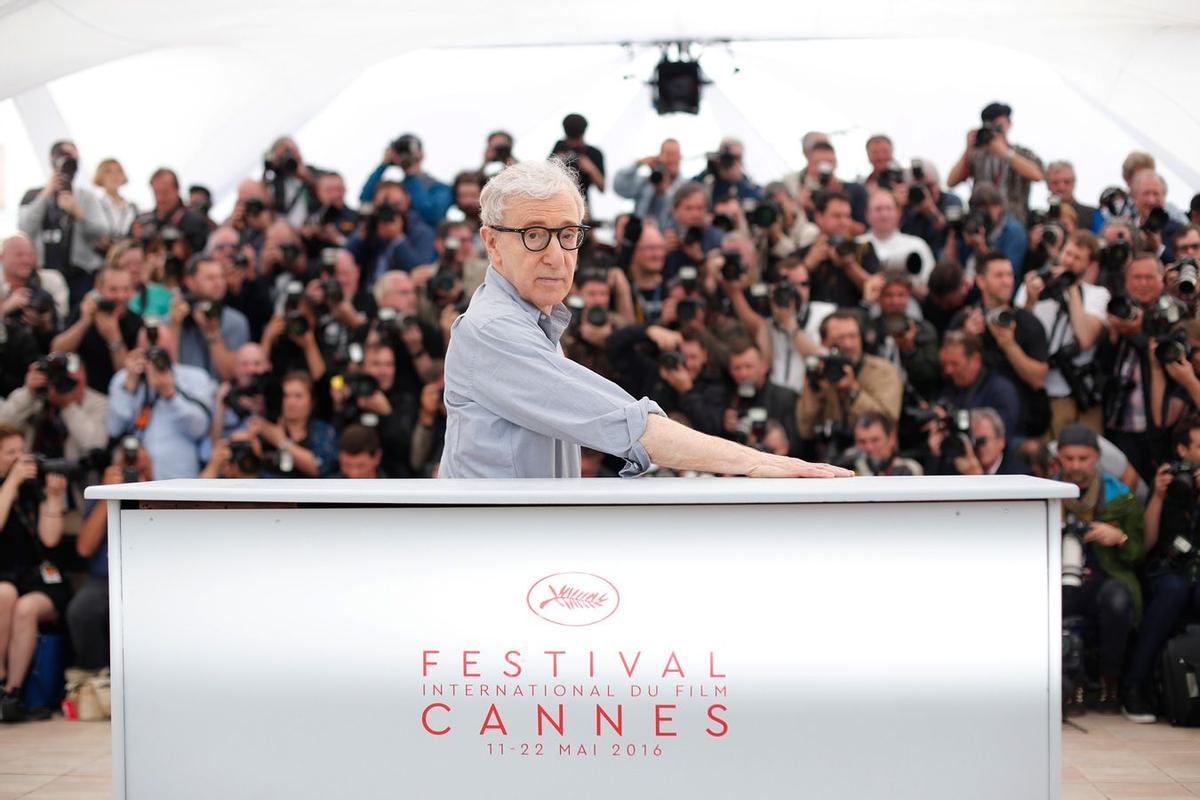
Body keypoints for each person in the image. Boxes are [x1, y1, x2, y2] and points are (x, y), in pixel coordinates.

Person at [439, 159, 851, 480]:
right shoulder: (494, 330)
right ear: (492, 242)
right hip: (494, 554)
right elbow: (629, 425)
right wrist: (754, 462)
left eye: (567, 234)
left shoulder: (532, 319)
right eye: (533, 234)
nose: (555, 254)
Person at [1056, 424, 1144, 716]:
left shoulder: (1120, 496)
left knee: (1117, 599)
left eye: (1083, 458)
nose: (1076, 465)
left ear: (1096, 457)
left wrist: (1118, 537)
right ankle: (1066, 685)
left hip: (1106, 577)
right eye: (1069, 458)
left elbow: (1137, 555)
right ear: (1059, 457)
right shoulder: (1047, 494)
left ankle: (1111, 685)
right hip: (1059, 577)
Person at [1121, 417, 1200, 723]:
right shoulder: (1166, 482)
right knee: (1173, 591)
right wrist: (1157, 495)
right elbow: (1148, 542)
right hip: (1168, 568)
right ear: (1182, 449)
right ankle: (1134, 688)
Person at [0, 424, 70, 722]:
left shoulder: (33, 487)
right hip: (5, 576)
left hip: (38, 576)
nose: (19, 459)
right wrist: (10, 484)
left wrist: (53, 497)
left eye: (21, 451)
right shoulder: (12, 486)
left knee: (26, 608)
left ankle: (12, 693)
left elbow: (50, 539)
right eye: (10, 453)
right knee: (4, 594)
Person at [70, 440, 153, 675]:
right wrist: (109, 494)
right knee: (82, 609)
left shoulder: (165, 489)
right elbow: (84, 548)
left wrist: (149, 482)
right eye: (127, 463)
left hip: (150, 578)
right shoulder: (101, 494)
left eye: (138, 463)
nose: (132, 469)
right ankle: (98, 677)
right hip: (107, 578)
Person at [1015, 230, 1110, 436]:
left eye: (1077, 258)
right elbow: (1020, 334)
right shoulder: (1034, 285)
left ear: (1090, 264)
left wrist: (1072, 289)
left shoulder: (1097, 295)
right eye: (1067, 253)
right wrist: (1031, 299)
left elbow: (1085, 338)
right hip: (1035, 388)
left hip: (1071, 393)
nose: (1069, 261)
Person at [106, 323, 216, 479]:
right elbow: (114, 429)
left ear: (173, 346)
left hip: (180, 478)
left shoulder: (194, 378)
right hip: (135, 476)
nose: (155, 356)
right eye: (150, 350)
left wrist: (169, 393)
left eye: (161, 350)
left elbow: (199, 429)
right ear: (138, 348)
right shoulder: (124, 379)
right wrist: (129, 386)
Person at [17, 140, 107, 306]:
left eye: (73, 158)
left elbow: (101, 232)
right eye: (64, 156)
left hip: (79, 275)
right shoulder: (33, 195)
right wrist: (46, 194)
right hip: (44, 274)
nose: (69, 162)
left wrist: (78, 213)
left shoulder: (86, 197)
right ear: (52, 160)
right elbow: (24, 229)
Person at [51, 263, 143, 393]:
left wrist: (114, 338)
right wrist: (84, 322)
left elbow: (127, 378)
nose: (121, 296)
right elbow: (56, 350)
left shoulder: (136, 323)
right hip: (82, 392)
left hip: (117, 394)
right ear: (99, 289)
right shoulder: (83, 311)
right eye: (113, 289)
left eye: (126, 289)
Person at [947, 101, 1044, 223]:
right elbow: (951, 182)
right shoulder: (977, 155)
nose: (995, 131)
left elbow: (1038, 175)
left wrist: (1005, 153)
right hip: (981, 221)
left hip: (1014, 221)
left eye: (999, 126)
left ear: (1009, 124)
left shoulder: (1022, 153)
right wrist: (968, 149)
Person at [360, 134, 453, 227]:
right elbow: (365, 201)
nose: (406, 155)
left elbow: (431, 215)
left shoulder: (440, 188)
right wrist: (383, 164)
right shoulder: (397, 188)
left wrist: (410, 174)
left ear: (422, 154)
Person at [613, 139, 686, 230]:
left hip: (667, 239)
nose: (671, 159)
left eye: (674, 155)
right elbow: (619, 186)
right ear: (659, 157)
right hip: (640, 235)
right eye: (667, 154)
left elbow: (680, 215)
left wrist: (665, 191)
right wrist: (638, 164)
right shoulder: (648, 182)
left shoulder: (685, 187)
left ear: (680, 157)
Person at [549, 114, 606, 205]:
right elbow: (545, 177)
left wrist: (591, 169)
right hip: (557, 201)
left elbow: (602, 187)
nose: (573, 145)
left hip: (582, 204)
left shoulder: (594, 153)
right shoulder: (559, 146)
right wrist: (557, 162)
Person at [844, 412, 924, 476]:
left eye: (875, 440)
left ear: (892, 438)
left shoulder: (909, 468)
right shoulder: (848, 468)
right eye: (862, 442)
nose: (869, 447)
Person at [93, 158, 138, 251]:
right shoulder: (95, 206)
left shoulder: (132, 208)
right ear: (100, 176)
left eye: (119, 171)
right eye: (108, 172)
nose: (114, 176)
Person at [1045, 160, 1100, 234]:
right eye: (1055, 183)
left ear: (1074, 183)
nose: (1061, 187)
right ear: (1048, 185)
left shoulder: (1092, 214)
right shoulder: (1041, 220)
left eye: (1067, 182)